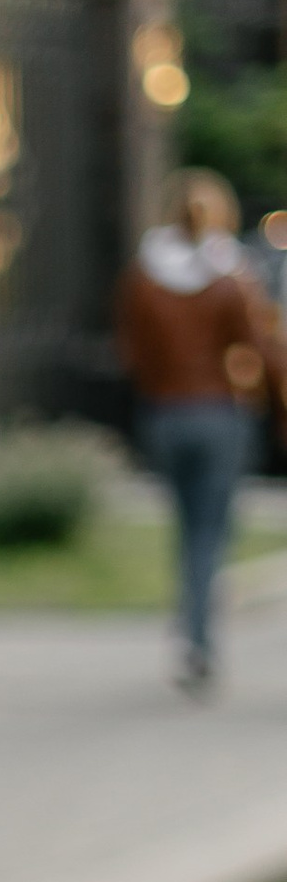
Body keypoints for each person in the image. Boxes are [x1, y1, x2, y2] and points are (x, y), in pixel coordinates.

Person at [114, 167, 287, 690]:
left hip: (165, 416)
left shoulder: (142, 277)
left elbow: (131, 353)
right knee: (212, 530)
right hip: (219, 415)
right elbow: (262, 350)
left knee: (188, 527)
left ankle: (189, 626)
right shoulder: (232, 276)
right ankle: (197, 638)